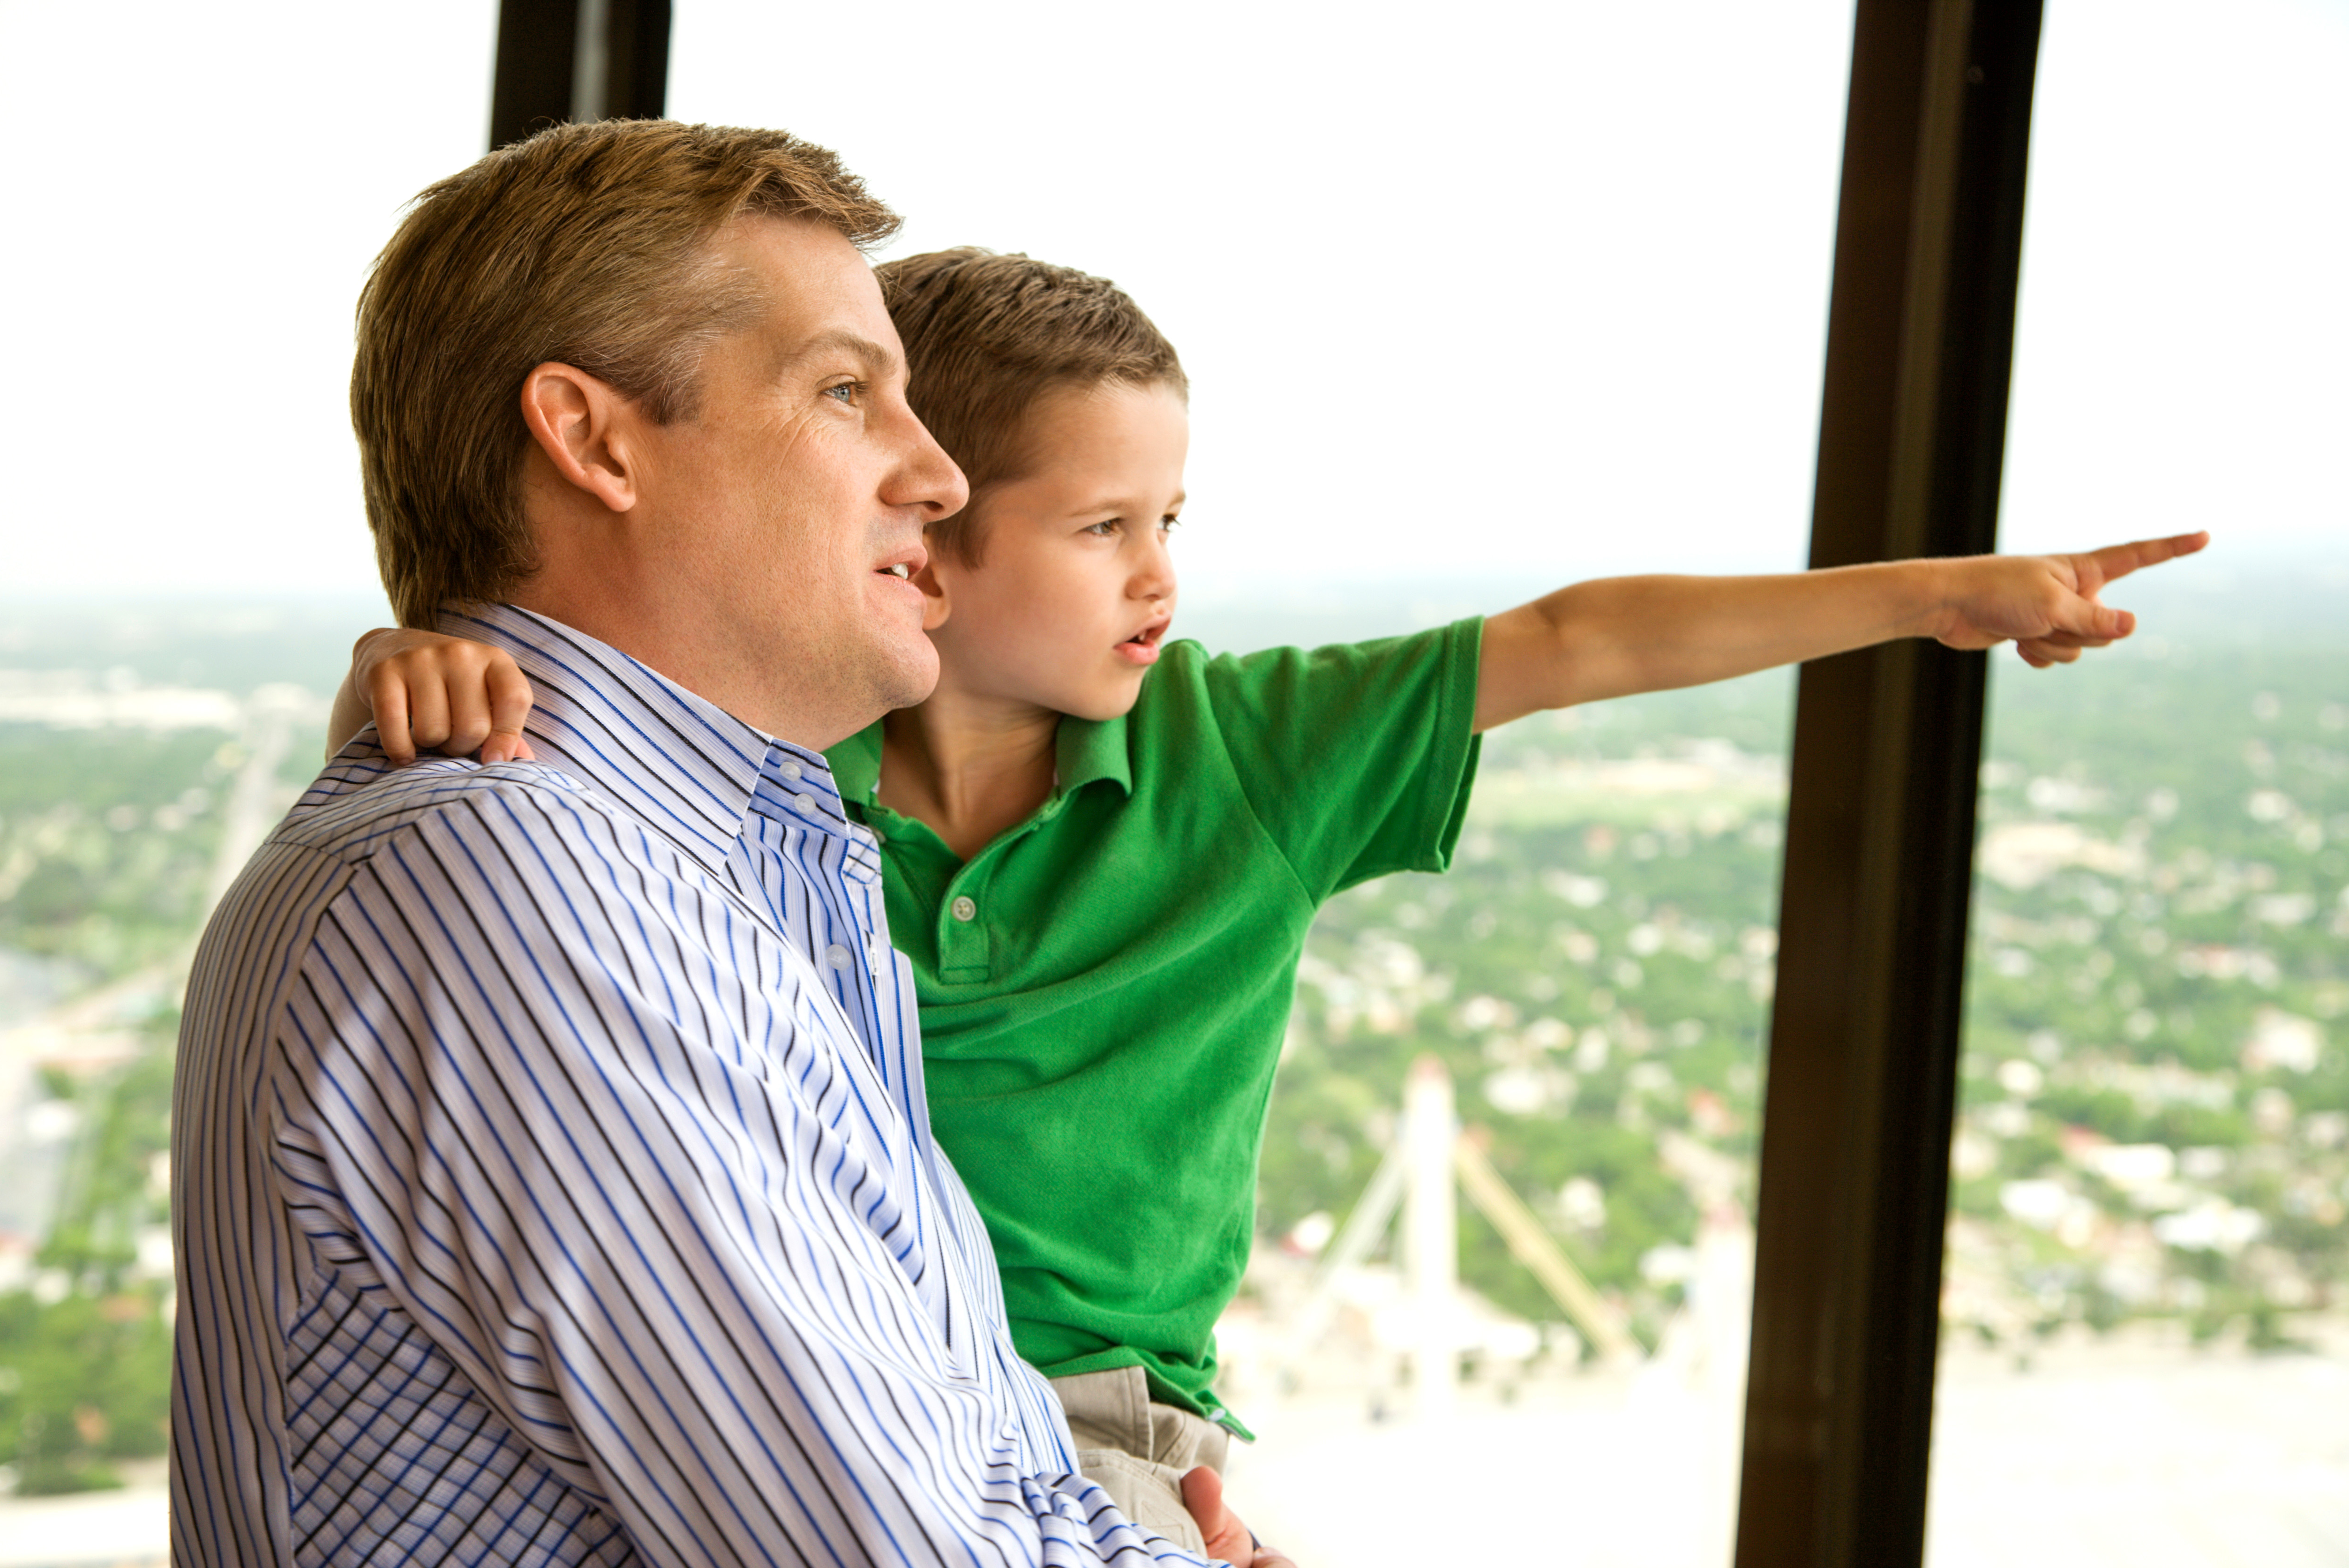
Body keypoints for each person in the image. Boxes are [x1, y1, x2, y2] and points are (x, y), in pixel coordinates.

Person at [337, 250, 2210, 1535]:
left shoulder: (1260, 749)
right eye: (1101, 528)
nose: (1160, 578)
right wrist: (409, 679)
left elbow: (1576, 635)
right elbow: (556, 767)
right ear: (925, 529)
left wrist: (1935, 597)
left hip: (1096, 1433)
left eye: (1174, 525)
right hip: (804, 1387)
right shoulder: (756, 760)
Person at [174, 125, 1279, 1568]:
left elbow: (968, 1466)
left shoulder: (713, 873)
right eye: (844, 391)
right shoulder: (523, 890)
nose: (939, 477)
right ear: (593, 439)